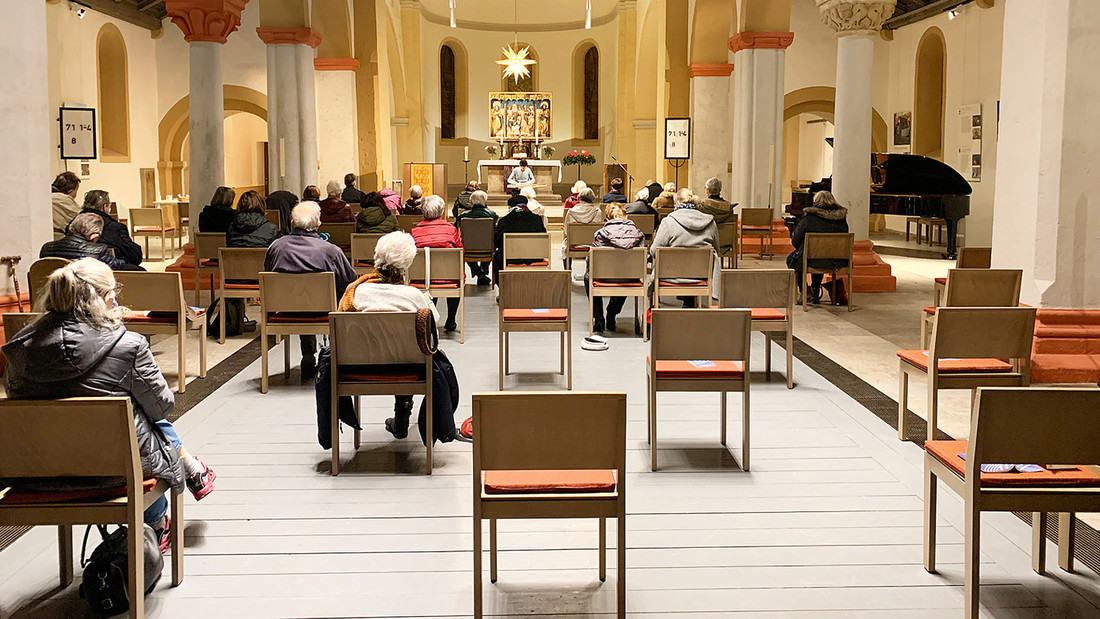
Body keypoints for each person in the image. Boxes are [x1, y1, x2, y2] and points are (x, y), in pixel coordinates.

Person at [3, 259, 216, 551]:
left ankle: (190, 472)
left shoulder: (18, 348)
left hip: (38, 470)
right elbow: (162, 405)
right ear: (104, 298)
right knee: (142, 417)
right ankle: (157, 521)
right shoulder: (129, 345)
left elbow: (17, 399)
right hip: (117, 470)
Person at [315, 232, 464, 448]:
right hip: (409, 369)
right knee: (409, 352)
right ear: (408, 263)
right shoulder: (414, 297)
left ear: (376, 256)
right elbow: (432, 341)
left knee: (395, 349)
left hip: (356, 368)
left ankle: (397, 420)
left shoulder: (353, 294)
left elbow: (338, 338)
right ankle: (405, 417)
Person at [264, 202, 357, 379]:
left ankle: (307, 355)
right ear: (318, 223)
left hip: (285, 309)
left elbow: (269, 273)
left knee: (300, 300)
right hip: (323, 311)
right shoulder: (331, 251)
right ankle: (334, 354)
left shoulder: (275, 248)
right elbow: (349, 282)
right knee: (327, 299)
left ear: (292, 222)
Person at [650, 188, 719, 308]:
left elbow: (654, 251)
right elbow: (717, 249)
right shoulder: (710, 222)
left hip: (672, 276)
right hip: (701, 275)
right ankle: (690, 303)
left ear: (677, 203)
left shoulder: (668, 222)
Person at [588, 204, 645, 334]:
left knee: (588, 277)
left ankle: (599, 319)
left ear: (607, 218)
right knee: (627, 272)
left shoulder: (600, 233)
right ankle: (612, 312)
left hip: (604, 276)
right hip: (630, 276)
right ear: (626, 216)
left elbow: (592, 260)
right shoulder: (639, 234)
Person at [409, 195, 463, 333]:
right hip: (449, 278)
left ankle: (430, 318)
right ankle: (451, 319)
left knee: (431, 273)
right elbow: (460, 252)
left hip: (421, 278)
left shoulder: (414, 232)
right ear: (441, 212)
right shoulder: (451, 230)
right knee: (452, 274)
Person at [787, 190, 849, 304]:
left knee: (792, 259)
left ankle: (805, 290)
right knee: (821, 256)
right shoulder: (842, 220)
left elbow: (795, 241)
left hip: (812, 260)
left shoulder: (809, 219)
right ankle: (815, 289)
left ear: (816, 202)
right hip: (837, 260)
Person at [41, 213, 143, 271]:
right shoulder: (97, 251)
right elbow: (118, 266)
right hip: (84, 297)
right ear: (94, 236)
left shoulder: (46, 249)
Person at [67, 189, 143, 268]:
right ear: (104, 207)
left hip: (75, 266)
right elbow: (134, 256)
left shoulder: (73, 223)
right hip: (107, 267)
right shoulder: (115, 227)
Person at [492, 194, 547, 283]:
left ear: (510, 207)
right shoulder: (537, 220)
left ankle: (504, 288)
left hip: (510, 258)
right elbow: (543, 238)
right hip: (534, 257)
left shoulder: (504, 221)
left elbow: (497, 242)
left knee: (497, 258)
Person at [455, 190, 497, 286]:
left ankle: (479, 273)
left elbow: (457, 230)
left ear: (471, 201)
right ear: (485, 201)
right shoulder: (492, 215)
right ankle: (482, 271)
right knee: (492, 244)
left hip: (468, 248)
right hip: (488, 248)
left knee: (465, 247)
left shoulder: (462, 216)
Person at [51, 172, 82, 240]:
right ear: (70, 191)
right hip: (60, 241)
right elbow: (82, 219)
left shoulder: (45, 196)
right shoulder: (64, 199)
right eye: (76, 191)